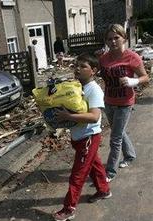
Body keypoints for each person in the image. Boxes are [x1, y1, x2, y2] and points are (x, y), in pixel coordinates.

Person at [53, 53, 111, 221]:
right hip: (80, 137)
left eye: (83, 66)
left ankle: (69, 208)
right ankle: (104, 190)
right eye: (76, 66)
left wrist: (68, 117)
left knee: (77, 175)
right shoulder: (78, 87)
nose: (77, 69)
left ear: (93, 70)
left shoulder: (94, 89)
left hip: (88, 137)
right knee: (94, 165)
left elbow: (94, 116)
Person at [98, 24, 150, 182]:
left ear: (124, 38)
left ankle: (110, 171)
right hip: (108, 100)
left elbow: (145, 78)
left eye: (116, 38)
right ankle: (130, 155)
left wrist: (133, 81)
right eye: (109, 39)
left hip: (125, 102)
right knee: (119, 131)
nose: (113, 41)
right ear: (106, 41)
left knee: (115, 137)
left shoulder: (132, 57)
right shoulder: (103, 58)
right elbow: (102, 76)